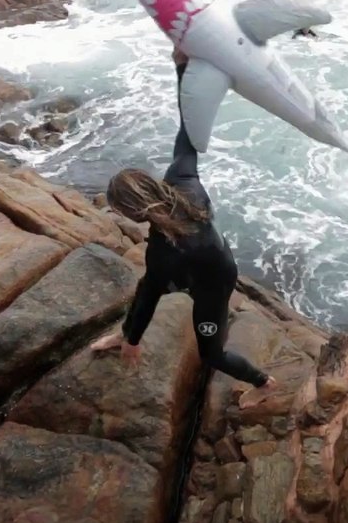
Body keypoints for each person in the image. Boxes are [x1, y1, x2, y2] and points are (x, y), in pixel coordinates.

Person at [91, 48, 279, 409]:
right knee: (148, 285)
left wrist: (134, 343)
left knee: (212, 351)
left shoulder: (165, 250)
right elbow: (188, 126)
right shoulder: (181, 178)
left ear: (134, 211)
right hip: (211, 257)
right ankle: (124, 334)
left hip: (213, 284)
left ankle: (263, 383)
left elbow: (150, 295)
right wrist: (183, 68)